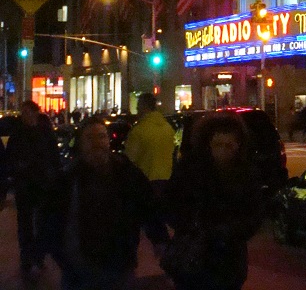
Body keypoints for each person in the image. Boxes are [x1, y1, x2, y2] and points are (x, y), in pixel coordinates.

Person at [43, 116, 168, 290]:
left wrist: (159, 237)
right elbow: (50, 219)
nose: (97, 143)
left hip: (119, 264)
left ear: (108, 140)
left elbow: (147, 205)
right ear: (81, 143)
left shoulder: (126, 172)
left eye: (101, 136)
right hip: (78, 270)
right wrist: (56, 254)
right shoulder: (68, 179)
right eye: (90, 138)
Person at [165, 112, 261, 290]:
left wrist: (230, 230)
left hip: (228, 260)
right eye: (218, 144)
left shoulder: (245, 173)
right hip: (194, 258)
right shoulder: (190, 169)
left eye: (229, 145)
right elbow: (171, 205)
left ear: (238, 145)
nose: (223, 150)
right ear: (207, 143)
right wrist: (192, 225)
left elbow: (254, 213)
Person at [2, 100, 61, 280]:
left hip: (42, 184)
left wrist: (53, 177)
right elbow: (10, 158)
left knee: (42, 222)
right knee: (25, 224)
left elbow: (54, 157)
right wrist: (16, 172)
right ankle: (27, 257)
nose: (25, 116)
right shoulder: (18, 134)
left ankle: (38, 255)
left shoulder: (44, 133)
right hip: (25, 185)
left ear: (35, 113)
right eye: (23, 113)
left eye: (27, 112)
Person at [124, 92, 175, 201]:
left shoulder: (138, 131)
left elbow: (129, 161)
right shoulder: (168, 128)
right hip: (167, 180)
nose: (137, 110)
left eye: (138, 106)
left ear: (143, 107)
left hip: (145, 182)